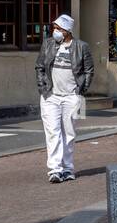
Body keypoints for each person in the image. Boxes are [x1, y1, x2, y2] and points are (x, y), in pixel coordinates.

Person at [35, 13, 93, 183]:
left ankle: (67, 168)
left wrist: (81, 90)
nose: (55, 31)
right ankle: (55, 169)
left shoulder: (82, 47)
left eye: (58, 28)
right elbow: (39, 66)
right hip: (50, 95)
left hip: (73, 97)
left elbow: (89, 70)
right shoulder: (48, 44)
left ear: (67, 30)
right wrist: (42, 87)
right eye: (54, 28)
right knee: (53, 132)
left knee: (69, 133)